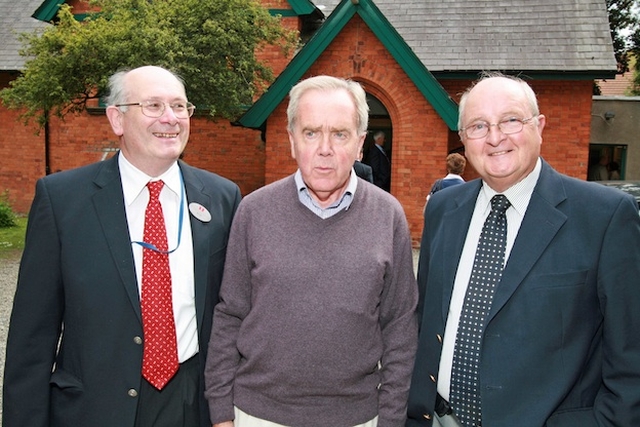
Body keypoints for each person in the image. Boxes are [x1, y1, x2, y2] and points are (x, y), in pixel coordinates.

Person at [3, 66, 241, 427]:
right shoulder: (62, 201)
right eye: (153, 105)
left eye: (180, 106)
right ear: (117, 118)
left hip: (192, 404)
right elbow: (31, 337)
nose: (170, 118)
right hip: (94, 407)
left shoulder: (223, 198)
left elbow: (234, 314)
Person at [407, 73, 640, 426]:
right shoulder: (443, 209)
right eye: (479, 126)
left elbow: (631, 360)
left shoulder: (605, 217)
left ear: (540, 126)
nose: (495, 137)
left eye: (511, 120)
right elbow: (426, 320)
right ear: (463, 140)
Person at [204, 75, 418, 427]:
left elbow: (400, 326)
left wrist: (391, 419)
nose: (324, 148)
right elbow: (230, 315)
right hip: (257, 415)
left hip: (358, 418)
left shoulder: (388, 214)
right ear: (292, 141)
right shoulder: (254, 211)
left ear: (360, 144)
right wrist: (222, 414)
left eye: (340, 134)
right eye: (310, 132)